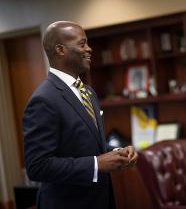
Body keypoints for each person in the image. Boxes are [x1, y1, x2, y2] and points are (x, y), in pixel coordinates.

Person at [23, 21, 138, 209]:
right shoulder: (43, 99)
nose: (89, 49)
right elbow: (37, 166)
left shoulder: (88, 92)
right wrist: (96, 164)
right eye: (82, 44)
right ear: (60, 50)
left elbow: (90, 144)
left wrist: (118, 152)